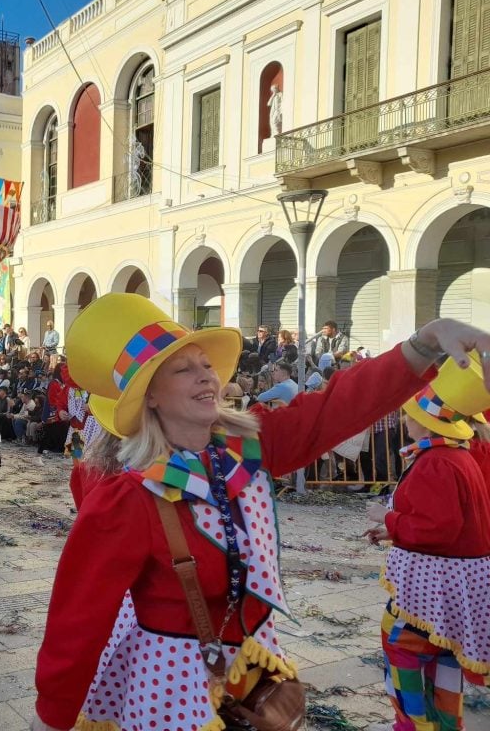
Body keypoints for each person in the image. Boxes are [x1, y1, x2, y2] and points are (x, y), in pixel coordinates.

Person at [31, 293, 490, 731]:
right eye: (183, 370)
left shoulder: (250, 449)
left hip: (253, 674)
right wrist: (52, 717)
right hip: (172, 688)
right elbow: (78, 621)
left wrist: (427, 340)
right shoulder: (129, 499)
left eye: (207, 364)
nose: (206, 376)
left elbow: (338, 407)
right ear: (149, 395)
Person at [364, 357, 490, 731]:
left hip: (432, 585)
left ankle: (413, 723)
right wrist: (395, 531)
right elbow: (450, 522)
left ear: (425, 421)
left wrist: (385, 517)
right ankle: (445, 723)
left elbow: (438, 528)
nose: (405, 420)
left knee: (401, 645)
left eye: (409, 414)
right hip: (451, 579)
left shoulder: (437, 461)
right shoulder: (456, 456)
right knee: (444, 658)